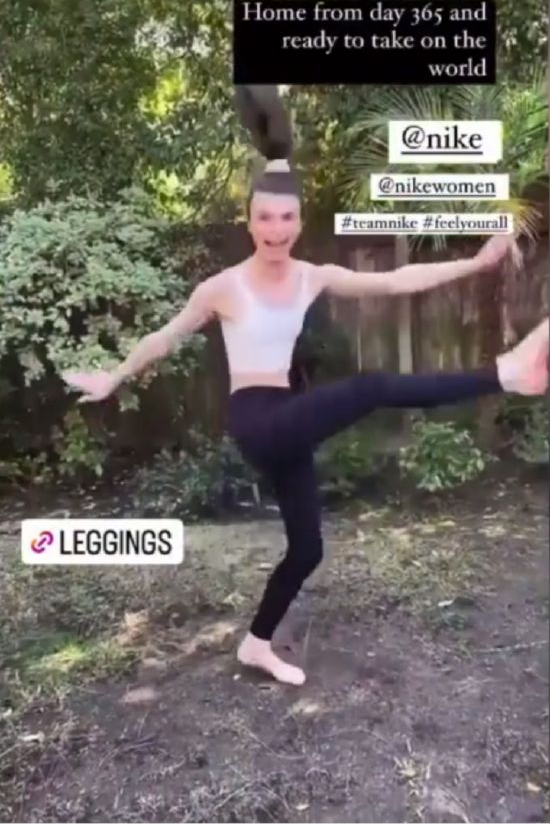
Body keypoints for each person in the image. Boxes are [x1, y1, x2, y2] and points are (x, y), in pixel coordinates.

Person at [63, 86, 549, 687]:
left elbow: (397, 281)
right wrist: (114, 376)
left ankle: (256, 644)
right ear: (249, 222)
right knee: (371, 387)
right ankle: (504, 373)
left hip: (287, 417)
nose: (276, 229)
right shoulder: (223, 287)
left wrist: (475, 264)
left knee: (307, 549)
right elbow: (165, 337)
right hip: (255, 419)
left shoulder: (312, 276)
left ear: (298, 221)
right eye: (265, 218)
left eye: (287, 217)